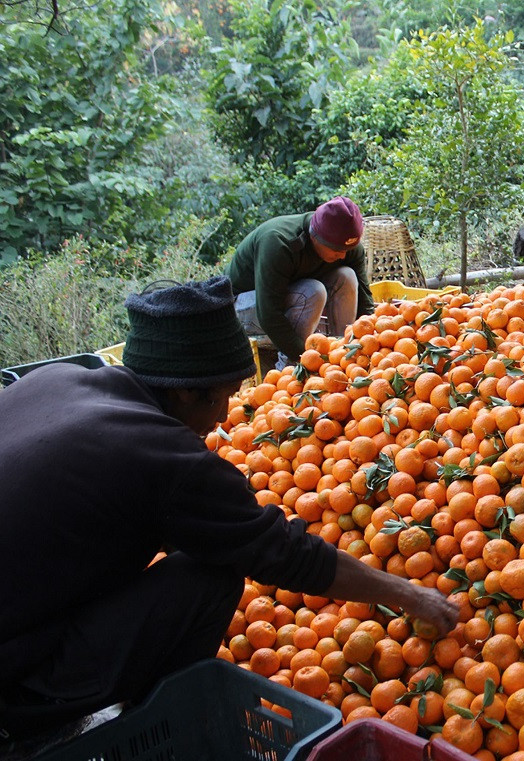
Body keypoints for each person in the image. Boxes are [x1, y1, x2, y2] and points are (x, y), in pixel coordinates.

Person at [0, 277, 459, 754]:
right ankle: (154, 720)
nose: (224, 417)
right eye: (223, 396)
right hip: (15, 678)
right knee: (212, 577)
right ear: (184, 393)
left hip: (25, 610)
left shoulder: (55, 380)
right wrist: (410, 595)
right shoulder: (163, 456)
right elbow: (282, 554)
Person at [227, 196, 375, 370]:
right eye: (336, 250)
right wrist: (308, 360)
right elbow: (269, 314)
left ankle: (342, 354)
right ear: (315, 237)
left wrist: (371, 342)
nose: (342, 255)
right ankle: (289, 372)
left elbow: (365, 303)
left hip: (289, 297)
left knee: (347, 276)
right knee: (313, 291)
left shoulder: (347, 247)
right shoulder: (279, 243)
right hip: (242, 307)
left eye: (347, 250)